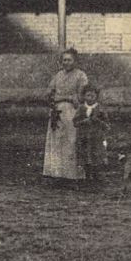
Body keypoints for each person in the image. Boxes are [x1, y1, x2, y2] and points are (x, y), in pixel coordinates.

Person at [43, 48, 88, 183]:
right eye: (64, 60)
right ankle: (56, 173)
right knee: (56, 142)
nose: (66, 63)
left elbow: (81, 95)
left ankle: (72, 175)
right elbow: (49, 91)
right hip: (57, 112)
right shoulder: (58, 75)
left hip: (71, 112)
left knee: (70, 141)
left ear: (75, 61)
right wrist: (52, 98)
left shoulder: (81, 76)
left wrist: (66, 97)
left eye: (69, 60)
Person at [73, 85, 111, 183]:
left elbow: (107, 125)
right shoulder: (81, 108)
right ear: (84, 96)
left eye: (93, 96)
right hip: (84, 137)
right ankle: (87, 176)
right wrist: (83, 121)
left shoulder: (100, 108)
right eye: (88, 95)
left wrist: (97, 121)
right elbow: (75, 122)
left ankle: (97, 176)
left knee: (97, 155)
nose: (90, 98)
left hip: (96, 137)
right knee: (85, 155)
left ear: (96, 97)